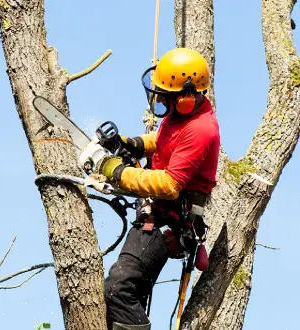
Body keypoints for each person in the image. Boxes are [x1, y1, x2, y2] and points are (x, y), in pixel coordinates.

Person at [93, 47, 220, 330]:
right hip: (157, 214)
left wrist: (116, 172)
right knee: (123, 292)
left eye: (166, 96)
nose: (160, 100)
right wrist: (133, 143)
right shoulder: (182, 116)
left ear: (186, 96)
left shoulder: (202, 130)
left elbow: (170, 185)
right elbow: (164, 138)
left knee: (119, 289)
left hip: (169, 222)